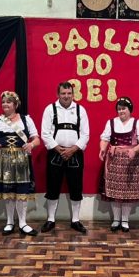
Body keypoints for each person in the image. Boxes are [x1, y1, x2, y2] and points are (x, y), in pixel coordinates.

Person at [0, 90, 40, 236]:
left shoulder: (26, 120)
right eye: (3, 102)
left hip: (21, 159)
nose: (5, 104)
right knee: (8, 191)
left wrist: (31, 145)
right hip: (2, 160)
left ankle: (23, 223)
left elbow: (37, 139)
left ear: (15, 104)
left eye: (8, 102)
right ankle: (9, 222)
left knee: (21, 191)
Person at [40, 81, 90, 234]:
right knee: (52, 186)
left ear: (73, 94)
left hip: (75, 153)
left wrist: (73, 149)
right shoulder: (50, 109)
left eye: (69, 93)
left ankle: (75, 220)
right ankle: (50, 219)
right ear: (58, 94)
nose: (66, 96)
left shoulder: (81, 110)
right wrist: (58, 148)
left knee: (76, 186)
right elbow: (45, 133)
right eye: (63, 93)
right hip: (55, 153)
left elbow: (85, 134)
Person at [98, 96, 139, 232]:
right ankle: (116, 220)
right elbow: (104, 139)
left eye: (123, 108)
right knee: (114, 191)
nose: (121, 111)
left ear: (129, 109)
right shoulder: (111, 122)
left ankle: (125, 220)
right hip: (114, 160)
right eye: (119, 109)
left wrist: (134, 150)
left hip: (131, 161)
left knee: (128, 191)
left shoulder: (137, 123)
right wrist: (102, 149)